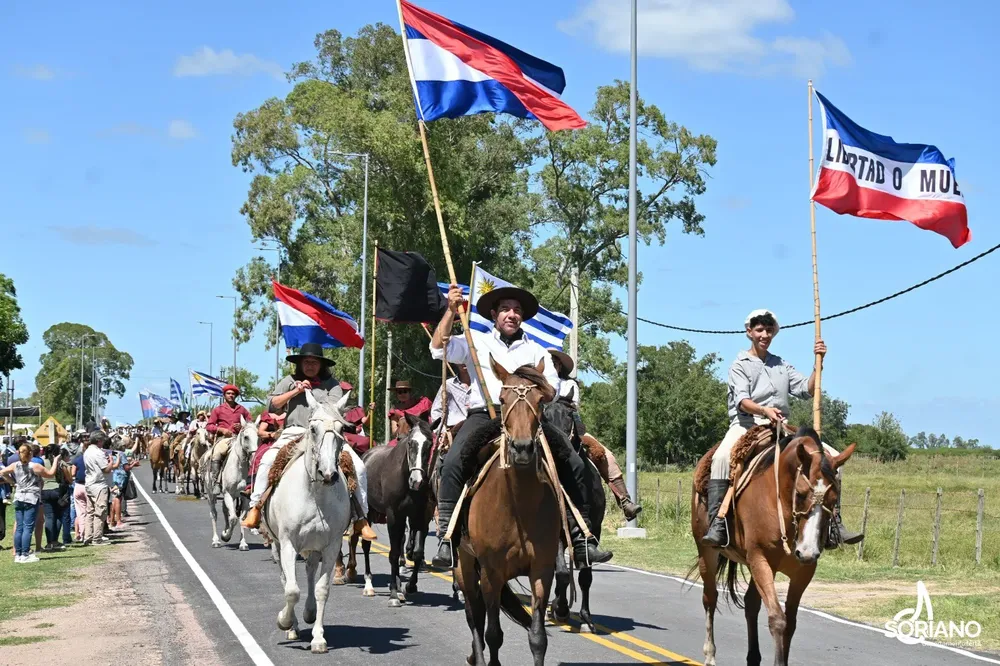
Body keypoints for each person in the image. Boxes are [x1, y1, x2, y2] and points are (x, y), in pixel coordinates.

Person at [429, 283, 612, 568]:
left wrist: (525, 382)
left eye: (516, 310)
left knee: (575, 464)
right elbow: (438, 349)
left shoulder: (538, 351)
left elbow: (552, 391)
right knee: (452, 462)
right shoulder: (474, 341)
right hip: (484, 415)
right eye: (505, 309)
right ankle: (447, 538)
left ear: (523, 316)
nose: (511, 314)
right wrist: (451, 312)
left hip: (528, 418)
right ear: (494, 314)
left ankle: (582, 539)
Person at [702, 309, 863, 549]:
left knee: (830, 459)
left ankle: (833, 524)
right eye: (759, 330)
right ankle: (718, 523)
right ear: (749, 332)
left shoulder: (781, 365)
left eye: (768, 330)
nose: (764, 334)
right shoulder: (739, 365)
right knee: (721, 457)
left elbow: (807, 389)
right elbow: (743, 401)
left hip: (781, 427)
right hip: (746, 425)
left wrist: (818, 362)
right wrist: (764, 410)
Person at [242, 343, 377, 541]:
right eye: (307, 362)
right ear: (300, 364)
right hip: (294, 432)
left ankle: (361, 517)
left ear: (321, 365)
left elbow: (333, 408)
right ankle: (255, 508)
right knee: (267, 460)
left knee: (359, 467)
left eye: (314, 362)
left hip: (326, 433)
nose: (311, 366)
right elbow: (272, 404)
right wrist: (295, 391)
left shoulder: (332, 385)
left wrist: (311, 392)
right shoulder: (289, 381)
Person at [549, 349, 641, 521]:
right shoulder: (534, 383)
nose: (551, 366)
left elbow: (571, 407)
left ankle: (625, 501)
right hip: (542, 427)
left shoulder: (570, 385)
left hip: (570, 428)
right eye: (547, 363)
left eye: (554, 362)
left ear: (559, 365)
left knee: (604, 454)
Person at [0, 443, 60, 563]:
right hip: (31, 497)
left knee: (20, 527)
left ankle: (18, 553)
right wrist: (56, 460)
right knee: (28, 527)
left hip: (19, 496)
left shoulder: (14, 465)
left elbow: (2, 473)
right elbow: (51, 474)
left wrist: (12, 482)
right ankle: (25, 554)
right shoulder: (35, 466)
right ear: (31, 453)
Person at [206, 386, 252, 489]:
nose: (231, 395)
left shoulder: (242, 409)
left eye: (233, 394)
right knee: (217, 453)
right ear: (224, 395)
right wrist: (222, 430)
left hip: (239, 438)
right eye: (228, 393)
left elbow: (250, 423)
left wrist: (242, 426)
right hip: (223, 439)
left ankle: (249, 481)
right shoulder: (218, 409)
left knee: (251, 453)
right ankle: (216, 481)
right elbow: (209, 426)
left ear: (236, 396)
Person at [83, 430, 119, 546]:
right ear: (99, 441)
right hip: (99, 484)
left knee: (90, 512)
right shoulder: (98, 453)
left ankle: (88, 536)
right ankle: (97, 538)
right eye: (102, 440)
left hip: (89, 483)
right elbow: (106, 469)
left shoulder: (87, 451)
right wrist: (111, 462)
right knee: (100, 512)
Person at [430, 364, 472, 435]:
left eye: (466, 358)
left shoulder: (482, 383)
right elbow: (436, 411)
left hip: (479, 425)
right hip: (456, 432)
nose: (463, 362)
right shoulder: (448, 385)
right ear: (456, 362)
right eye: (460, 359)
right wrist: (443, 432)